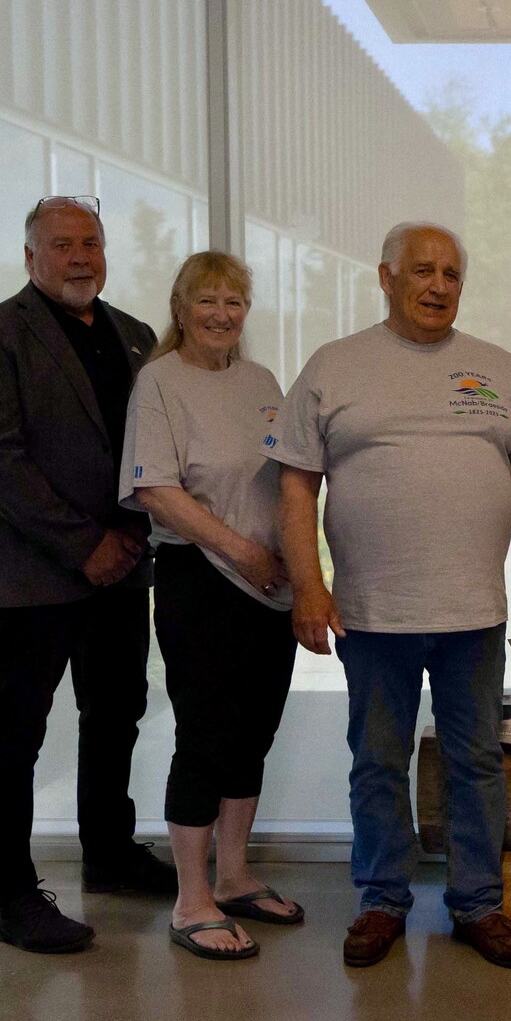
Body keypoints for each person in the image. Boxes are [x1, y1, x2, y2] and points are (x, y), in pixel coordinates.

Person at [267, 221, 511, 970]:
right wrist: (309, 585)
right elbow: (297, 486)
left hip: (474, 612)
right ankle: (382, 899)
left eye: (451, 274)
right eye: (423, 271)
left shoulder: (495, 366)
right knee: (378, 760)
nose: (438, 286)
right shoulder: (335, 366)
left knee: (476, 762)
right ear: (387, 277)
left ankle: (477, 903)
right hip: (373, 614)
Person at [0, 195, 175, 955]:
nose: (81, 256)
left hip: (124, 568)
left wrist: (133, 536)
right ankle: (10, 893)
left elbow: (153, 449)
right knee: (14, 733)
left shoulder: (137, 336)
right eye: (62, 244)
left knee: (116, 715)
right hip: (32, 572)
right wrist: (85, 544)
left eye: (92, 242)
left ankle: (108, 854)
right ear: (30, 256)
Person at [120, 252, 301, 962]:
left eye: (234, 301)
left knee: (253, 733)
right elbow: (157, 490)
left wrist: (294, 564)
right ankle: (191, 900)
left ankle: (234, 877)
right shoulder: (160, 381)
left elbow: (288, 479)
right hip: (200, 577)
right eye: (208, 301)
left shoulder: (261, 383)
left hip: (269, 586)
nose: (222, 314)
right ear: (181, 307)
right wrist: (242, 551)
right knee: (205, 736)